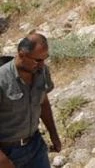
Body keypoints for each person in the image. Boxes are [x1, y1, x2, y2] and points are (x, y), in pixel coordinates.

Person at [0, 32, 61, 168]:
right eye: (38, 60)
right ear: (22, 55)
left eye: (45, 59)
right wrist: (3, 161)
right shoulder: (2, 80)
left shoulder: (42, 72)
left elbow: (43, 103)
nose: (42, 65)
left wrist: (53, 134)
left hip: (35, 146)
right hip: (8, 153)